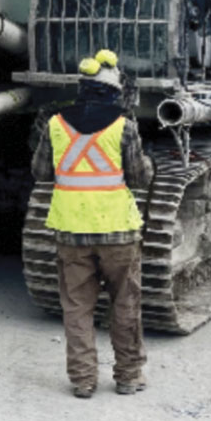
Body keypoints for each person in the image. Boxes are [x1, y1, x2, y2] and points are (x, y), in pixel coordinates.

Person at [31, 49, 154, 398]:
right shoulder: (124, 125)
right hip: (118, 233)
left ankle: (83, 380)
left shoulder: (55, 124)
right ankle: (129, 376)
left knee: (77, 307)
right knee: (125, 303)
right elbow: (139, 177)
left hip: (71, 231)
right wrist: (146, 161)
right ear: (115, 90)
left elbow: (40, 172)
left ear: (82, 88)